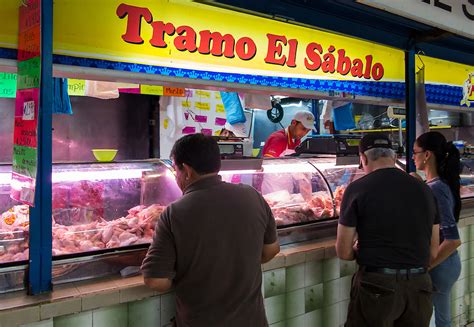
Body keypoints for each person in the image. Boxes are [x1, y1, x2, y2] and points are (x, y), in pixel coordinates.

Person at [141, 133, 280, 327]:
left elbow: (155, 280)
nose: (176, 177)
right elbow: (271, 250)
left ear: (186, 170)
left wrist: (189, 277)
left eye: (175, 170)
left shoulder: (175, 212)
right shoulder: (252, 196)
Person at [336, 133, 440, 327]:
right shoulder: (425, 190)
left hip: (377, 287)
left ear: (363, 158)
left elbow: (343, 251)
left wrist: (358, 250)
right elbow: (433, 251)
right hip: (419, 287)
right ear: (394, 157)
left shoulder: (358, 189)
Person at [412, 131, 462, 327]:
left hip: (442, 262)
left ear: (427, 155)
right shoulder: (435, 185)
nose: (412, 157)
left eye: (415, 152)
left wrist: (426, 266)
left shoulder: (437, 189)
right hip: (446, 263)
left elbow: (453, 239)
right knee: (440, 318)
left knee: (439, 321)